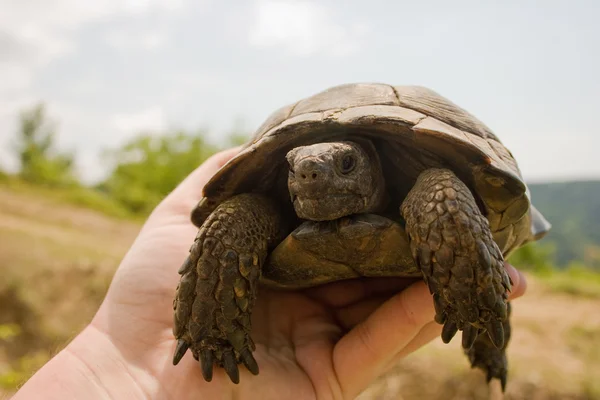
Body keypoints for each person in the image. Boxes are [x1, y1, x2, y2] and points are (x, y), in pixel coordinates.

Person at [13, 147, 527, 400]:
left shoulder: (429, 182)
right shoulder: (260, 209)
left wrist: (475, 298)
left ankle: (482, 330)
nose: (311, 176)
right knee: (234, 220)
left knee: (443, 199)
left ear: (372, 165)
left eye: (343, 166)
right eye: (298, 170)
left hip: (432, 203)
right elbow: (233, 221)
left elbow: (451, 197)